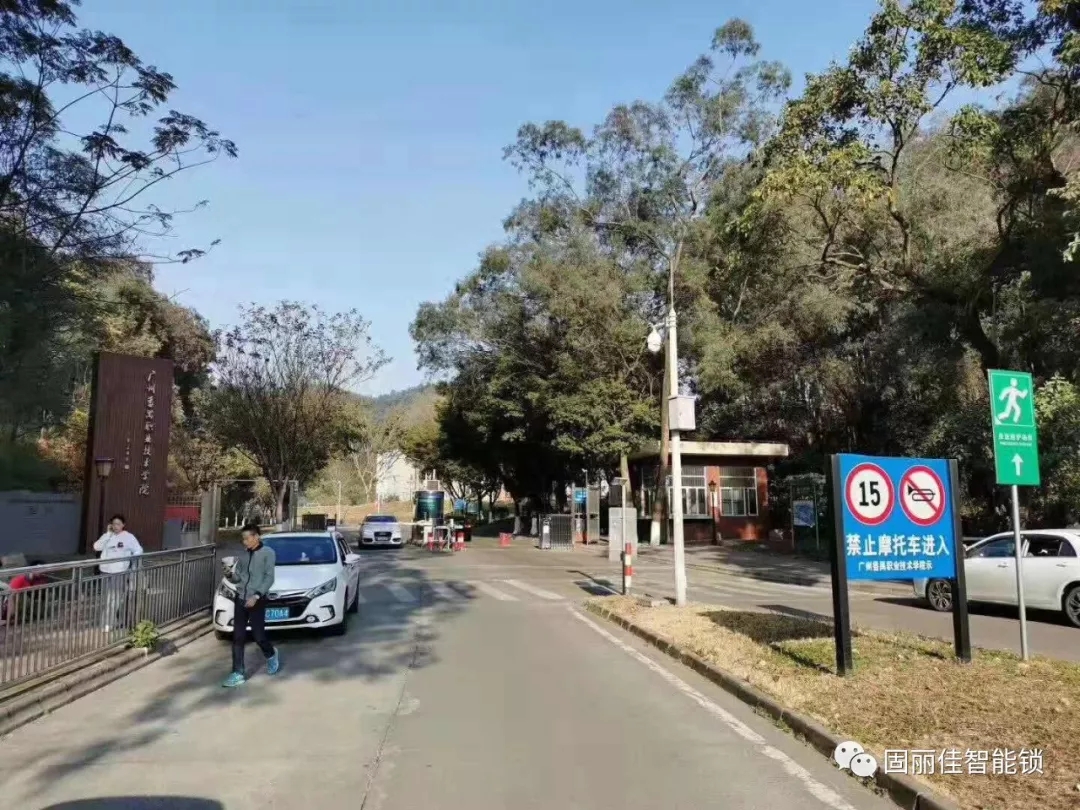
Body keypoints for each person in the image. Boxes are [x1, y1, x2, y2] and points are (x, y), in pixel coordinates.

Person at [222, 523, 280, 687]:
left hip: (257, 599)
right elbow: (238, 578)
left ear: (256, 537)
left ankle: (271, 654)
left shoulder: (268, 553)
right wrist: (229, 575)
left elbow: (269, 578)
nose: (245, 542)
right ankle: (238, 673)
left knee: (258, 635)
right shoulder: (243, 555)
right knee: (238, 637)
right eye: (243, 539)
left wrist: (256, 595)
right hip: (240, 598)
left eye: (247, 538)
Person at [94, 514, 144, 632]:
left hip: (119, 571)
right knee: (106, 598)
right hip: (105, 571)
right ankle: (113, 621)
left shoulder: (128, 537)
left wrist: (129, 560)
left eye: (118, 524)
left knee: (115, 598)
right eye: (113, 524)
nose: (116, 526)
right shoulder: (107, 536)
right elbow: (96, 547)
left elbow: (138, 550)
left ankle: (107, 623)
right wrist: (107, 534)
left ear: (123, 525)